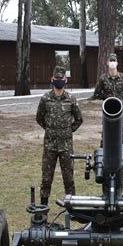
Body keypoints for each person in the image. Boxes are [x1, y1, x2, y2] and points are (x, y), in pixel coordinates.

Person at [36, 66, 83, 206]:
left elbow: (79, 119)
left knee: (68, 178)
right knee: (46, 178)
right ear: (52, 79)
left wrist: (68, 131)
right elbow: (39, 118)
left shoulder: (71, 99)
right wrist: (50, 129)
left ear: (65, 80)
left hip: (66, 146)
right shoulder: (45, 99)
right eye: (56, 79)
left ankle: (72, 206)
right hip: (50, 145)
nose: (58, 81)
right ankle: (43, 207)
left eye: (61, 79)